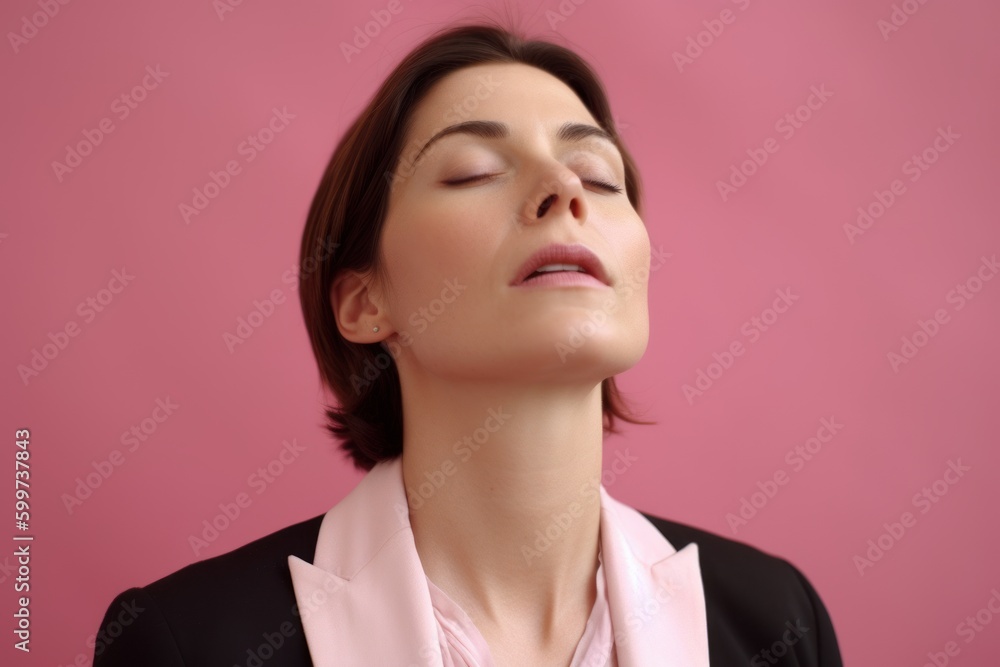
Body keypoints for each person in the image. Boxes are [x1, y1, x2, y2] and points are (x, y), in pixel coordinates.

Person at [93, 19, 843, 666]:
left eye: (598, 176)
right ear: (364, 302)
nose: (564, 189)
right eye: (474, 171)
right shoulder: (190, 642)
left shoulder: (777, 623)